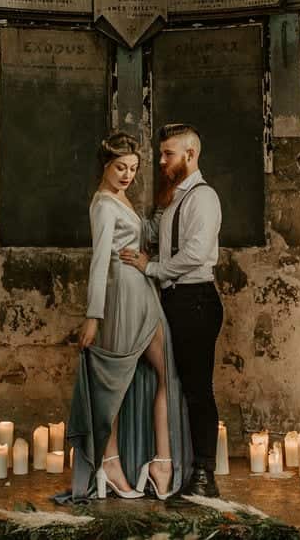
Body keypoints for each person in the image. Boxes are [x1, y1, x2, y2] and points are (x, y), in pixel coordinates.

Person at [57, 132, 193, 503]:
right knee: (115, 384)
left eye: (133, 168)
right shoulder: (102, 205)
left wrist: (167, 201)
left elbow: (142, 234)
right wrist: (92, 316)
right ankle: (111, 462)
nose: (127, 175)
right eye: (120, 167)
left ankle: (160, 462)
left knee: (165, 370)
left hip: (142, 293)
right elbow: (100, 262)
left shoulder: (121, 198)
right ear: (104, 165)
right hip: (122, 298)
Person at [120, 123, 223, 497]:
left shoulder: (204, 198)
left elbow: (194, 254)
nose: (162, 161)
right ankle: (177, 469)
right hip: (175, 301)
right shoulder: (174, 198)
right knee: (175, 385)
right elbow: (152, 232)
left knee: (198, 389)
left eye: (169, 154)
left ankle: (204, 477)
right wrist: (118, 201)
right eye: (162, 154)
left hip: (196, 300)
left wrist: (152, 269)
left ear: (190, 155)